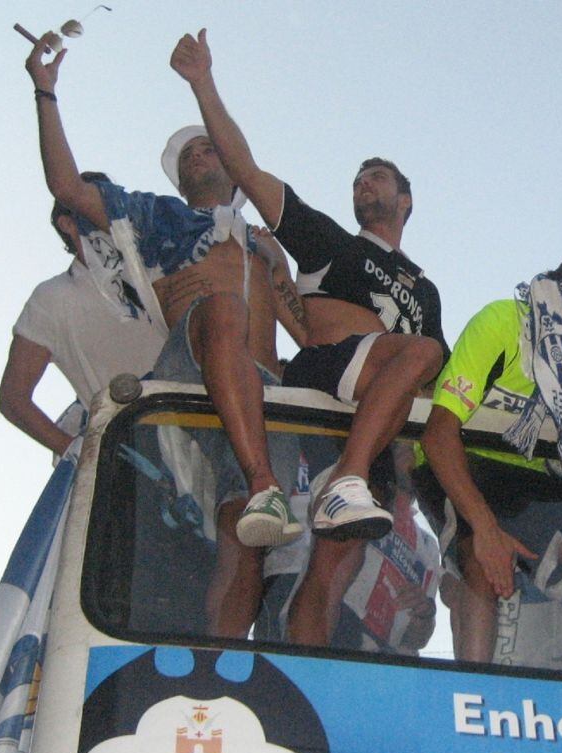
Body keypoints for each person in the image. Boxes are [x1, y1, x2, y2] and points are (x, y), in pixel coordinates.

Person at [25, 34, 310, 638]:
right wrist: (45, 91)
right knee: (222, 309)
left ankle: (218, 663)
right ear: (179, 178)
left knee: (246, 539)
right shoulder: (161, 218)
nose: (200, 156)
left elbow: (304, 332)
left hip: (258, 394)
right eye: (189, 156)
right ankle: (263, 481)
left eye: (209, 148)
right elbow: (69, 189)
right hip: (191, 365)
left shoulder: (265, 244)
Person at [169, 29, 446, 644]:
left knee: (331, 573)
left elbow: (427, 390)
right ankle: (214, 664)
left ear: (406, 199)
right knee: (423, 351)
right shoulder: (329, 242)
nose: (364, 185)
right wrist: (203, 83)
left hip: (375, 434)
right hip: (323, 389)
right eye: (358, 179)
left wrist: (406, 488)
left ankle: (300, 683)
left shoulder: (424, 291)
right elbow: (246, 168)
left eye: (376, 178)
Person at [419, 249, 562, 664]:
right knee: (481, 559)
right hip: (463, 460)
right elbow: (438, 434)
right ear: (555, 298)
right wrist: (484, 527)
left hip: (531, 478)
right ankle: (474, 695)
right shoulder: (502, 322)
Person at [0, 173, 165, 457]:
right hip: (130, 452)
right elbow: (13, 399)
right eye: (90, 205)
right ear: (67, 223)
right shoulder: (52, 298)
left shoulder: (159, 272)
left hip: (201, 428)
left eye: (109, 206)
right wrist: (78, 452)